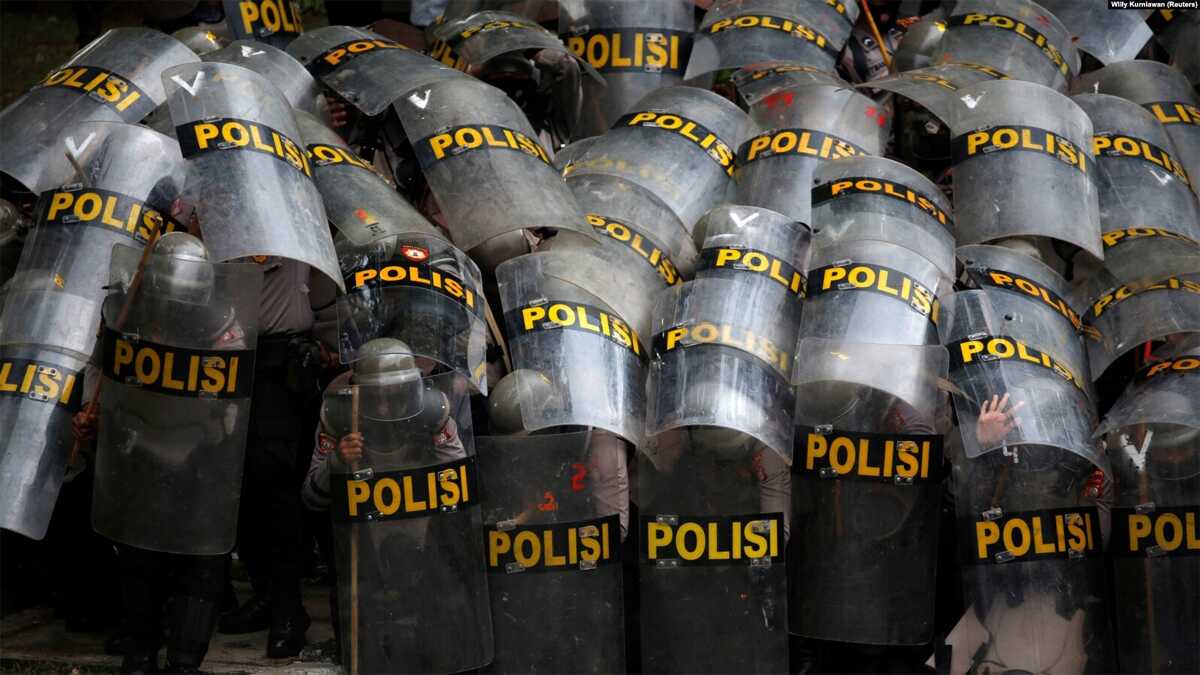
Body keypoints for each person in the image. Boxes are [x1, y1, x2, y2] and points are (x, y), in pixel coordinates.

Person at [73, 233, 244, 674]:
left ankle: (186, 660)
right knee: (137, 555)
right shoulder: (124, 312)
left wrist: (212, 419)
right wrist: (92, 413)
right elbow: (98, 367)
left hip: (199, 452)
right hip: (139, 446)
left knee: (201, 562)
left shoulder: (222, 323)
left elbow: (233, 397)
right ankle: (140, 650)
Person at [217, 255, 323, 658]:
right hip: (224, 361)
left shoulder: (290, 224)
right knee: (237, 487)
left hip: (280, 367)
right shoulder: (218, 224)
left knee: (277, 488)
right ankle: (265, 595)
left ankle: (288, 610)